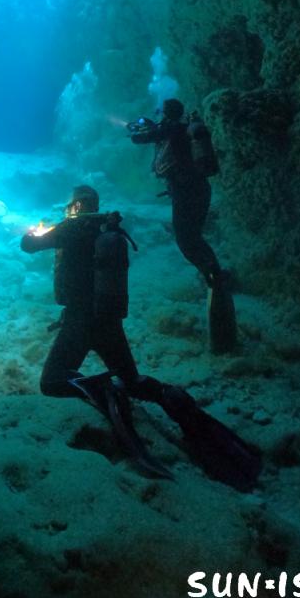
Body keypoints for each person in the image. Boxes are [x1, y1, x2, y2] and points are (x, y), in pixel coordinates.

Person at [20, 184, 260, 488]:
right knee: (134, 382)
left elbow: (27, 245)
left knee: (52, 381)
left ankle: (103, 390)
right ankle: (190, 417)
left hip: (80, 323)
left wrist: (41, 229)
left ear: (76, 206)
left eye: (70, 206)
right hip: (110, 323)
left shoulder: (70, 228)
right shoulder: (109, 229)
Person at [129, 98, 237, 354]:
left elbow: (139, 139)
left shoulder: (173, 129)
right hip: (197, 189)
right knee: (192, 237)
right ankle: (214, 274)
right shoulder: (181, 129)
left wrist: (137, 129)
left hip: (187, 190)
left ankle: (214, 276)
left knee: (186, 239)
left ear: (167, 114)